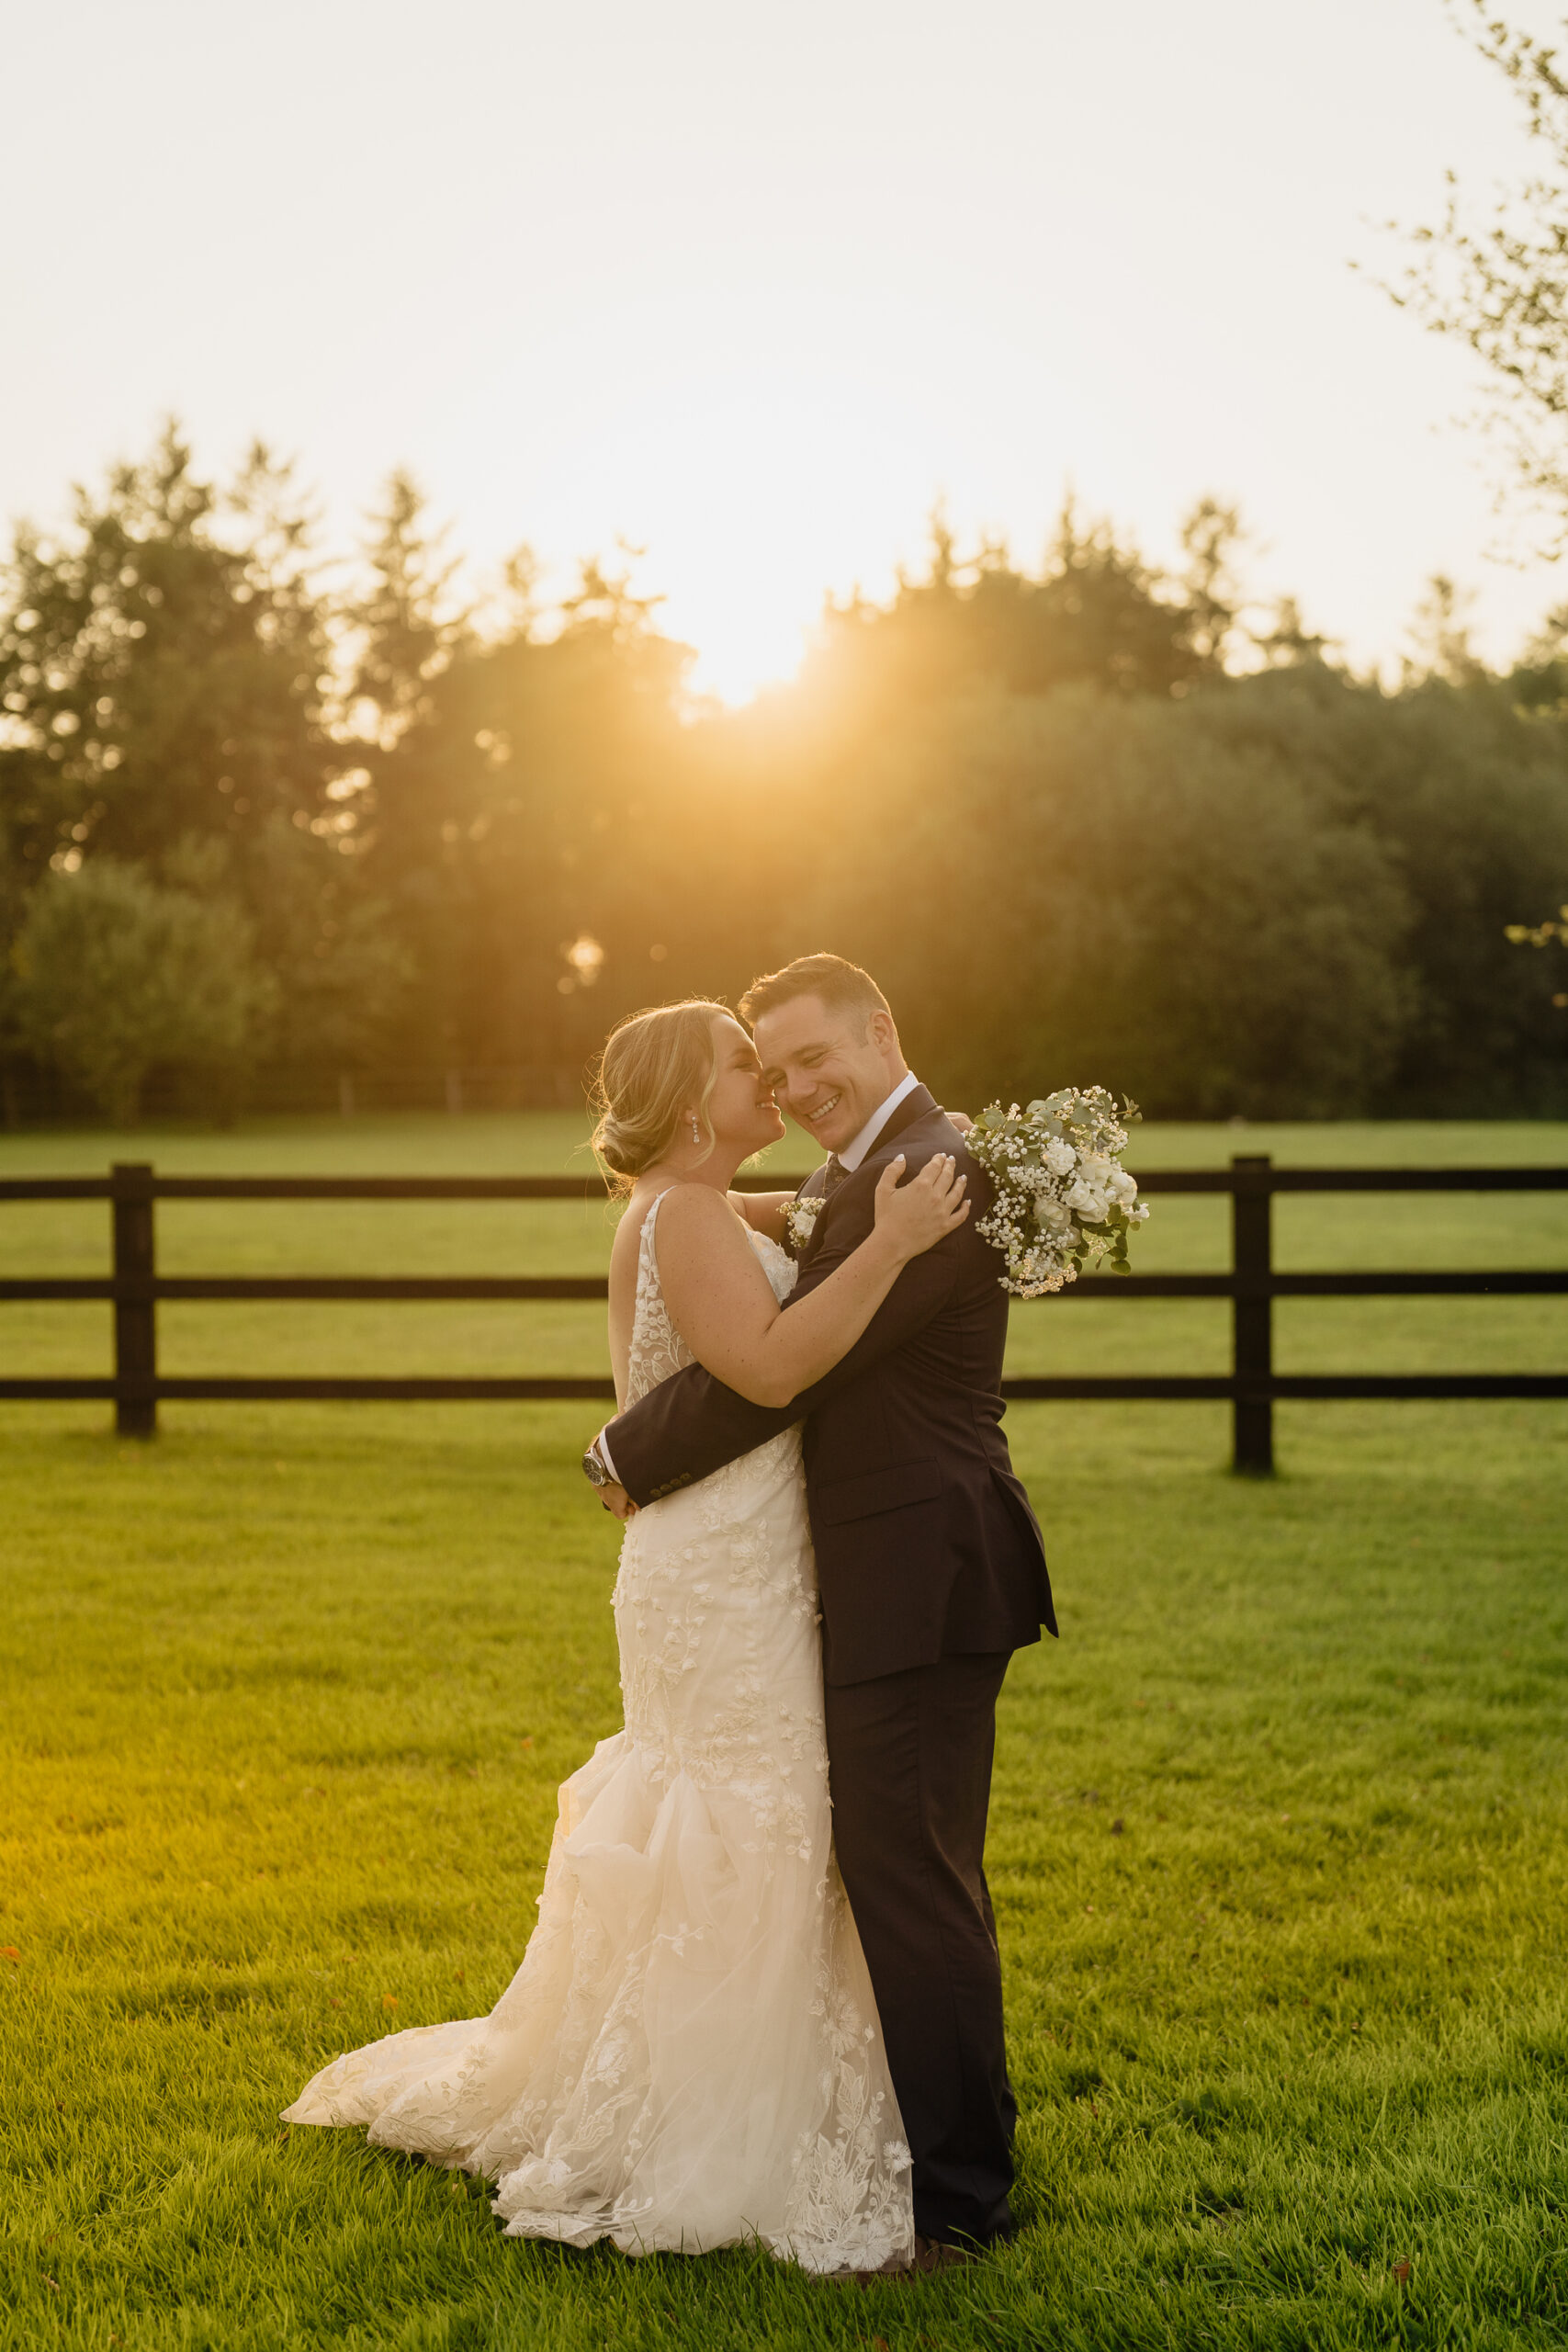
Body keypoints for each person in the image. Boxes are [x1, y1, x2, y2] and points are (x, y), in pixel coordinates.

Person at [282, 994, 969, 2277]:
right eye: (740, 1068)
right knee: (754, 1813)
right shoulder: (689, 1213)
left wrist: (853, 1203)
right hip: (722, 1565)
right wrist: (892, 1245)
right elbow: (765, 1372)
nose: (765, 1084)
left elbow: (796, 1216)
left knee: (747, 1813)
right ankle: (700, 2116)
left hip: (728, 1556)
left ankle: (713, 2081)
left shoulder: (687, 1205)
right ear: (678, 1093)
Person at [588, 953, 1055, 2264]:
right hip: (841, 1571)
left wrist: (627, 1450)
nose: (794, 1088)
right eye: (768, 1068)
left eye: (807, 1059)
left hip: (919, 1573)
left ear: (881, 1029)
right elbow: (779, 1282)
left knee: (907, 1878)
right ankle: (930, 2141)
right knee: (903, 1871)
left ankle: (962, 2198)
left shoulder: (933, 1175)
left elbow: (775, 1375)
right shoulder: (861, 1176)